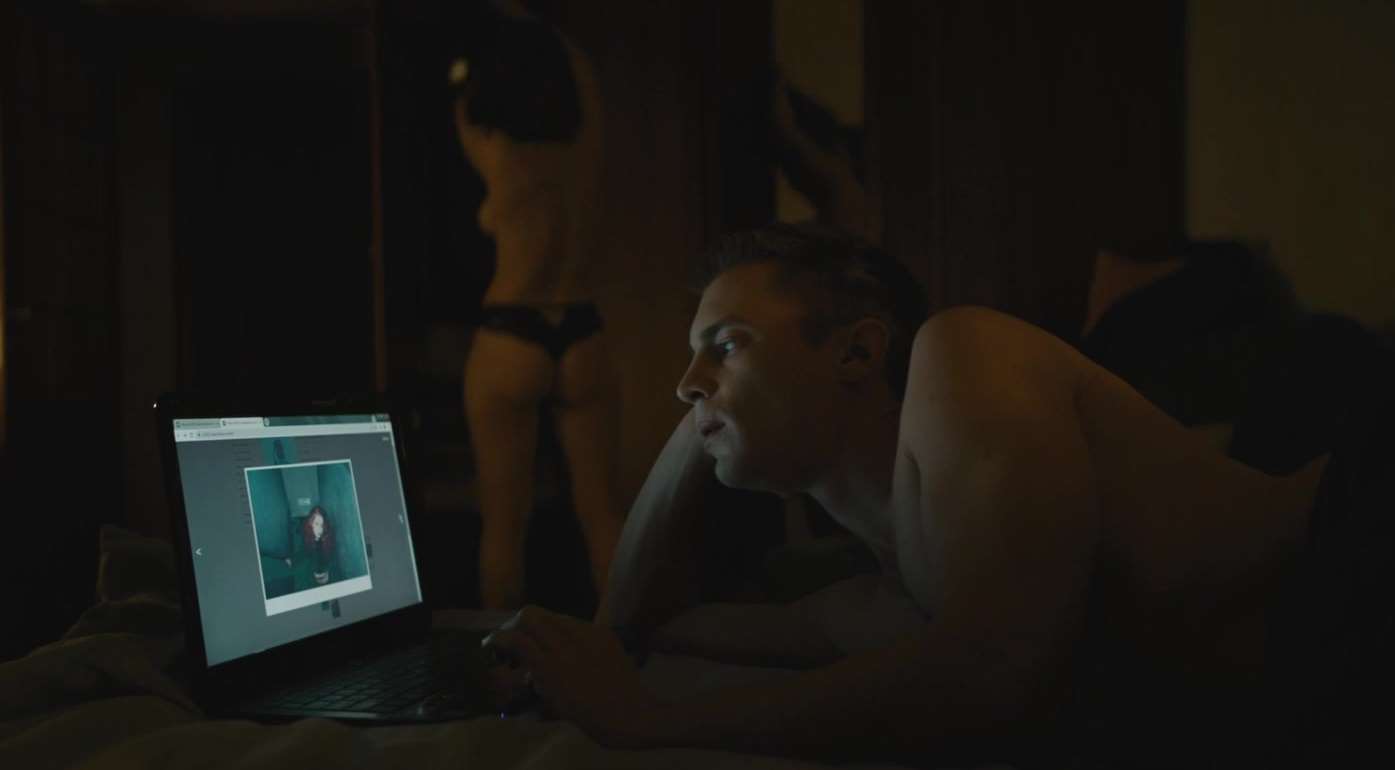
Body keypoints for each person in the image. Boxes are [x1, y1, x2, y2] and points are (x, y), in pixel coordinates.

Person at [481, 222, 1358, 767]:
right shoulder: (888, 600)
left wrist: (648, 723)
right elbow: (641, 623)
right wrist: (707, 401)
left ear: (859, 354)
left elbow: (995, 672)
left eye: (728, 343)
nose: (684, 382)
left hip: (1355, 559)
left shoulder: (963, 353)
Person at [448, 5, 622, 609]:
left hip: (512, 329)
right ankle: (627, 651)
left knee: (504, 526)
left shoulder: (490, 141)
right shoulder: (586, 134)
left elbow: (465, 93)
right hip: (581, 327)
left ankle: (501, 659)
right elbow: (577, 69)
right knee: (603, 515)